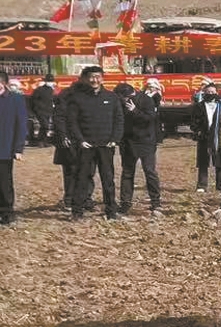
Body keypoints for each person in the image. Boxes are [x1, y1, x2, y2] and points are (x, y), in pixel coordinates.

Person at [66, 66, 123, 220]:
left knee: (108, 179)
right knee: (81, 178)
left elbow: (119, 120)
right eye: (91, 77)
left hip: (106, 146)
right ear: (86, 79)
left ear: (102, 78)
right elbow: (72, 122)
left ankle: (111, 210)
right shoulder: (77, 98)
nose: (94, 80)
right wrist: (80, 140)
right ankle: (77, 211)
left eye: (97, 77)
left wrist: (114, 139)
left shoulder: (112, 97)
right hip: (86, 146)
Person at [117, 79, 164, 215]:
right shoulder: (120, 103)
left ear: (129, 95)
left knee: (149, 171)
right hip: (128, 142)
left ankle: (155, 202)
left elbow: (150, 119)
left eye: (123, 98)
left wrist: (135, 111)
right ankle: (125, 203)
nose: (122, 101)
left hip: (145, 141)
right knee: (127, 173)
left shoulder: (146, 100)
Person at [0, 78, 27, 225]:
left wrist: (18, 148)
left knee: (4, 182)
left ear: (3, 83)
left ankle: (6, 212)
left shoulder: (15, 99)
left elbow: (21, 124)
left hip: (5, 147)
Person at [52, 82, 80, 209]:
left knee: (74, 171)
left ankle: (76, 198)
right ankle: (71, 199)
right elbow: (59, 118)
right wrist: (63, 136)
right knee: (72, 170)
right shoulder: (66, 98)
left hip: (77, 138)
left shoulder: (65, 97)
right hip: (70, 139)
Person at [193, 80, 221, 192]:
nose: (210, 94)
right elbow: (194, 120)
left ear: (216, 93)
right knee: (203, 161)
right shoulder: (199, 106)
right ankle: (202, 185)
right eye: (208, 92)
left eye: (212, 92)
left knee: (219, 161)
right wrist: (197, 131)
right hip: (204, 136)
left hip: (218, 136)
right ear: (204, 93)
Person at [29, 78, 57, 146]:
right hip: (40, 111)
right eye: (49, 81)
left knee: (45, 126)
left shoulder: (51, 90)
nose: (50, 82)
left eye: (51, 81)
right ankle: (40, 141)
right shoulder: (39, 89)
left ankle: (44, 141)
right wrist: (36, 109)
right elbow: (33, 100)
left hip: (48, 111)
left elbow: (51, 100)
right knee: (45, 125)